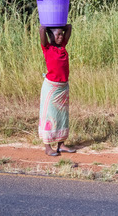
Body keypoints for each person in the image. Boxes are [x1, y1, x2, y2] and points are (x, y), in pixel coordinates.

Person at [39, 24, 76, 156]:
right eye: (57, 35)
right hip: (52, 87)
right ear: (51, 36)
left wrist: (59, 24)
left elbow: (69, 27)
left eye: (61, 34)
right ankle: (48, 146)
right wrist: (49, 24)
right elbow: (42, 28)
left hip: (63, 86)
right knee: (49, 116)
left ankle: (61, 144)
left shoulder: (62, 46)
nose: (60, 37)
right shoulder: (47, 47)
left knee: (62, 116)